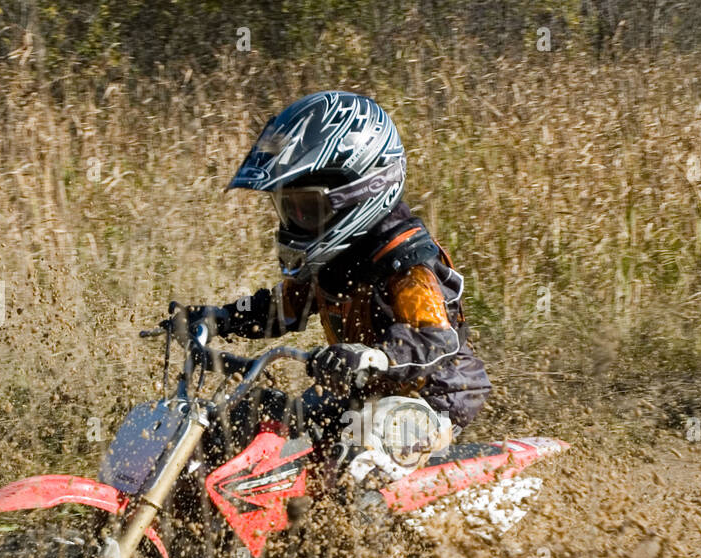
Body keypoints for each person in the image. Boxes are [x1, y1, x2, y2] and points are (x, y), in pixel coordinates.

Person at [188, 91, 490, 460]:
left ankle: (365, 516)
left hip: (429, 399)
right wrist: (220, 319)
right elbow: (283, 309)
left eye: (305, 208)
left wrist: (375, 357)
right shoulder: (333, 260)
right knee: (257, 416)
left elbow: (434, 339)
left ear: (361, 193)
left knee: (359, 450)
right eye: (288, 208)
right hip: (361, 392)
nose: (294, 221)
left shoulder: (408, 266)